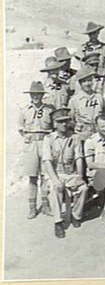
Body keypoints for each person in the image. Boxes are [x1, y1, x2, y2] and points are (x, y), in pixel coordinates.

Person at [42, 108, 87, 238]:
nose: (64, 124)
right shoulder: (49, 139)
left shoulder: (74, 138)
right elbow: (48, 162)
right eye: (60, 122)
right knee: (56, 188)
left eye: (66, 121)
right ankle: (58, 222)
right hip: (55, 173)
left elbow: (79, 158)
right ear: (55, 123)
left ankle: (75, 215)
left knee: (83, 188)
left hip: (70, 173)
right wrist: (55, 180)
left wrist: (80, 176)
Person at [19, 81, 55, 219]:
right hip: (32, 144)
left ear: (42, 95)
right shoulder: (25, 110)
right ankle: (32, 208)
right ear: (30, 95)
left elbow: (53, 126)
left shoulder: (49, 110)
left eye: (39, 94)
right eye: (34, 94)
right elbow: (20, 128)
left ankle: (46, 206)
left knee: (45, 176)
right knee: (32, 177)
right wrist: (27, 138)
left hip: (45, 142)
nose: (36, 96)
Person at [68, 66, 105, 143]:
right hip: (82, 133)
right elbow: (70, 119)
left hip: (98, 132)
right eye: (84, 81)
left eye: (89, 80)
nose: (87, 84)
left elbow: (104, 114)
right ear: (80, 83)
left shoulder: (99, 97)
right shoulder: (75, 99)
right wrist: (76, 126)